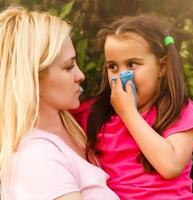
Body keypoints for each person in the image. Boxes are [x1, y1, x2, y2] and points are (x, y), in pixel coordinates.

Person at [73, 14, 193, 200]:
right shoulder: (95, 113)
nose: (122, 76)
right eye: (113, 66)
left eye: (132, 64)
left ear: (162, 67)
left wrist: (128, 113)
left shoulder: (178, 111)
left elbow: (170, 166)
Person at [0, 5, 119, 200]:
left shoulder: (76, 131)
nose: (80, 75)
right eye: (68, 67)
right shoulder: (35, 158)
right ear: (33, 77)